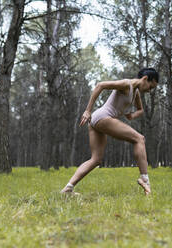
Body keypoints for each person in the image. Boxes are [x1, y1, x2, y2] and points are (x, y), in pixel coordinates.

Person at [60, 68, 159, 196]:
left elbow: (141, 110)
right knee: (139, 139)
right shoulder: (126, 84)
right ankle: (145, 179)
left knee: (96, 159)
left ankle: (67, 189)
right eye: (151, 87)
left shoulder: (135, 92)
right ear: (145, 79)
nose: (149, 90)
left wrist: (132, 115)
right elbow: (100, 85)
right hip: (102, 117)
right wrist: (87, 110)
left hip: (96, 120)